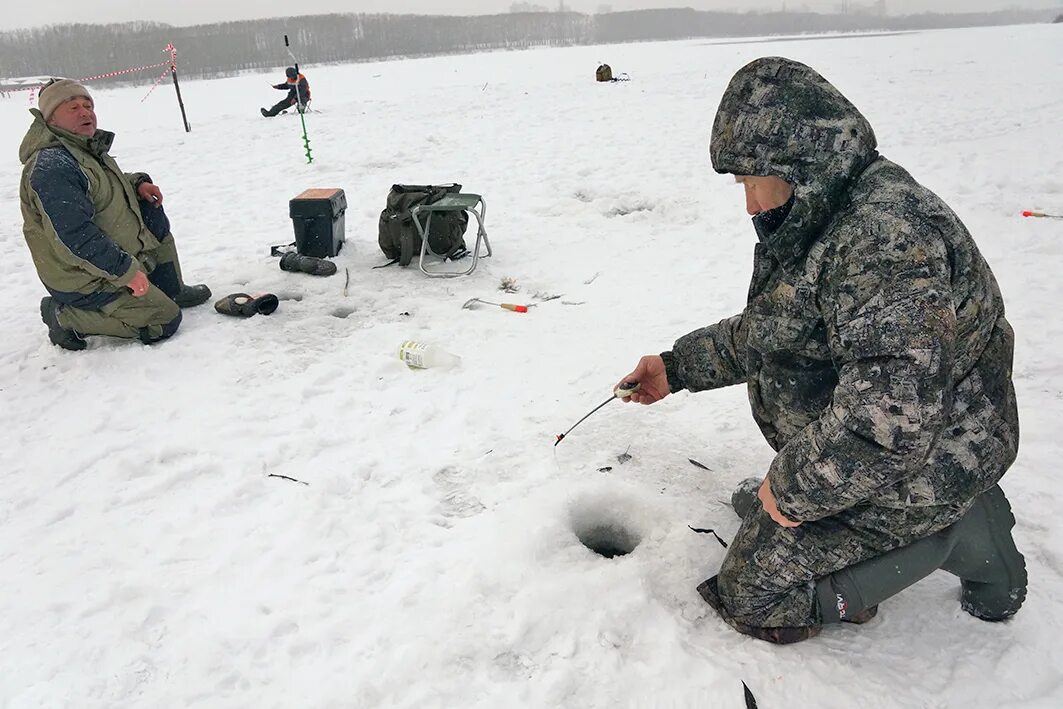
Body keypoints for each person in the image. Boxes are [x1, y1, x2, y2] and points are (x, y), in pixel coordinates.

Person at [620, 57, 1026, 643]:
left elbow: (888, 423)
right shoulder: (824, 215)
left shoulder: (885, 243)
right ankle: (846, 519)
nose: (750, 204)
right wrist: (676, 367)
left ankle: (959, 533)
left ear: (798, 165)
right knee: (778, 519)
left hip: (929, 459)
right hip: (894, 445)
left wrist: (792, 491)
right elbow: (779, 327)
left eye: (750, 182)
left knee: (752, 596)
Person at [19, 78, 211, 351]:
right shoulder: (52, 166)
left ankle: (171, 288)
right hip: (82, 278)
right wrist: (125, 272)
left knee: (150, 208)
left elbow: (102, 188)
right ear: (51, 118)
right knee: (163, 319)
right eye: (73, 108)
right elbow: (74, 237)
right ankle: (62, 316)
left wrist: (137, 184)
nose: (85, 112)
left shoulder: (83, 148)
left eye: (88, 105)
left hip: (105, 262)